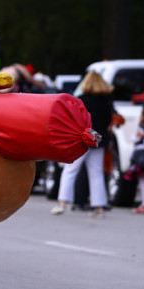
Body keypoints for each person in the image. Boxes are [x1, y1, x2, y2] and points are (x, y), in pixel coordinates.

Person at [51, 71, 113, 218]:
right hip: (99, 140)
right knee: (96, 173)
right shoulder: (106, 101)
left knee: (70, 170)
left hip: (82, 140)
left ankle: (62, 203)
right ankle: (99, 207)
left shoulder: (81, 100)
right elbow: (108, 121)